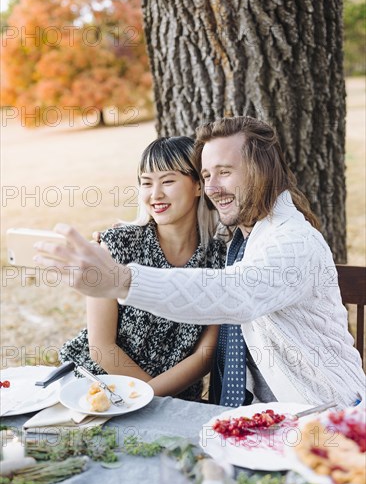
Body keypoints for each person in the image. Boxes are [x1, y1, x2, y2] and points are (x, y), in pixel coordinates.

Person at [35, 117, 365, 408]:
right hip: (255, 409)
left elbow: (235, 294)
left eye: (225, 172)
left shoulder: (292, 242)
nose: (213, 187)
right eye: (207, 174)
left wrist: (122, 280)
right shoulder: (245, 236)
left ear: (261, 171)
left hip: (327, 413)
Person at [58, 136, 226, 401]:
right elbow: (101, 347)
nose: (155, 194)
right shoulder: (116, 246)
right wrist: (148, 398)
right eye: (146, 183)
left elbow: (205, 355)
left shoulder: (220, 259)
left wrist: (155, 399)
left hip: (174, 396)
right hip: (100, 386)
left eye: (168, 181)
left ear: (198, 186)